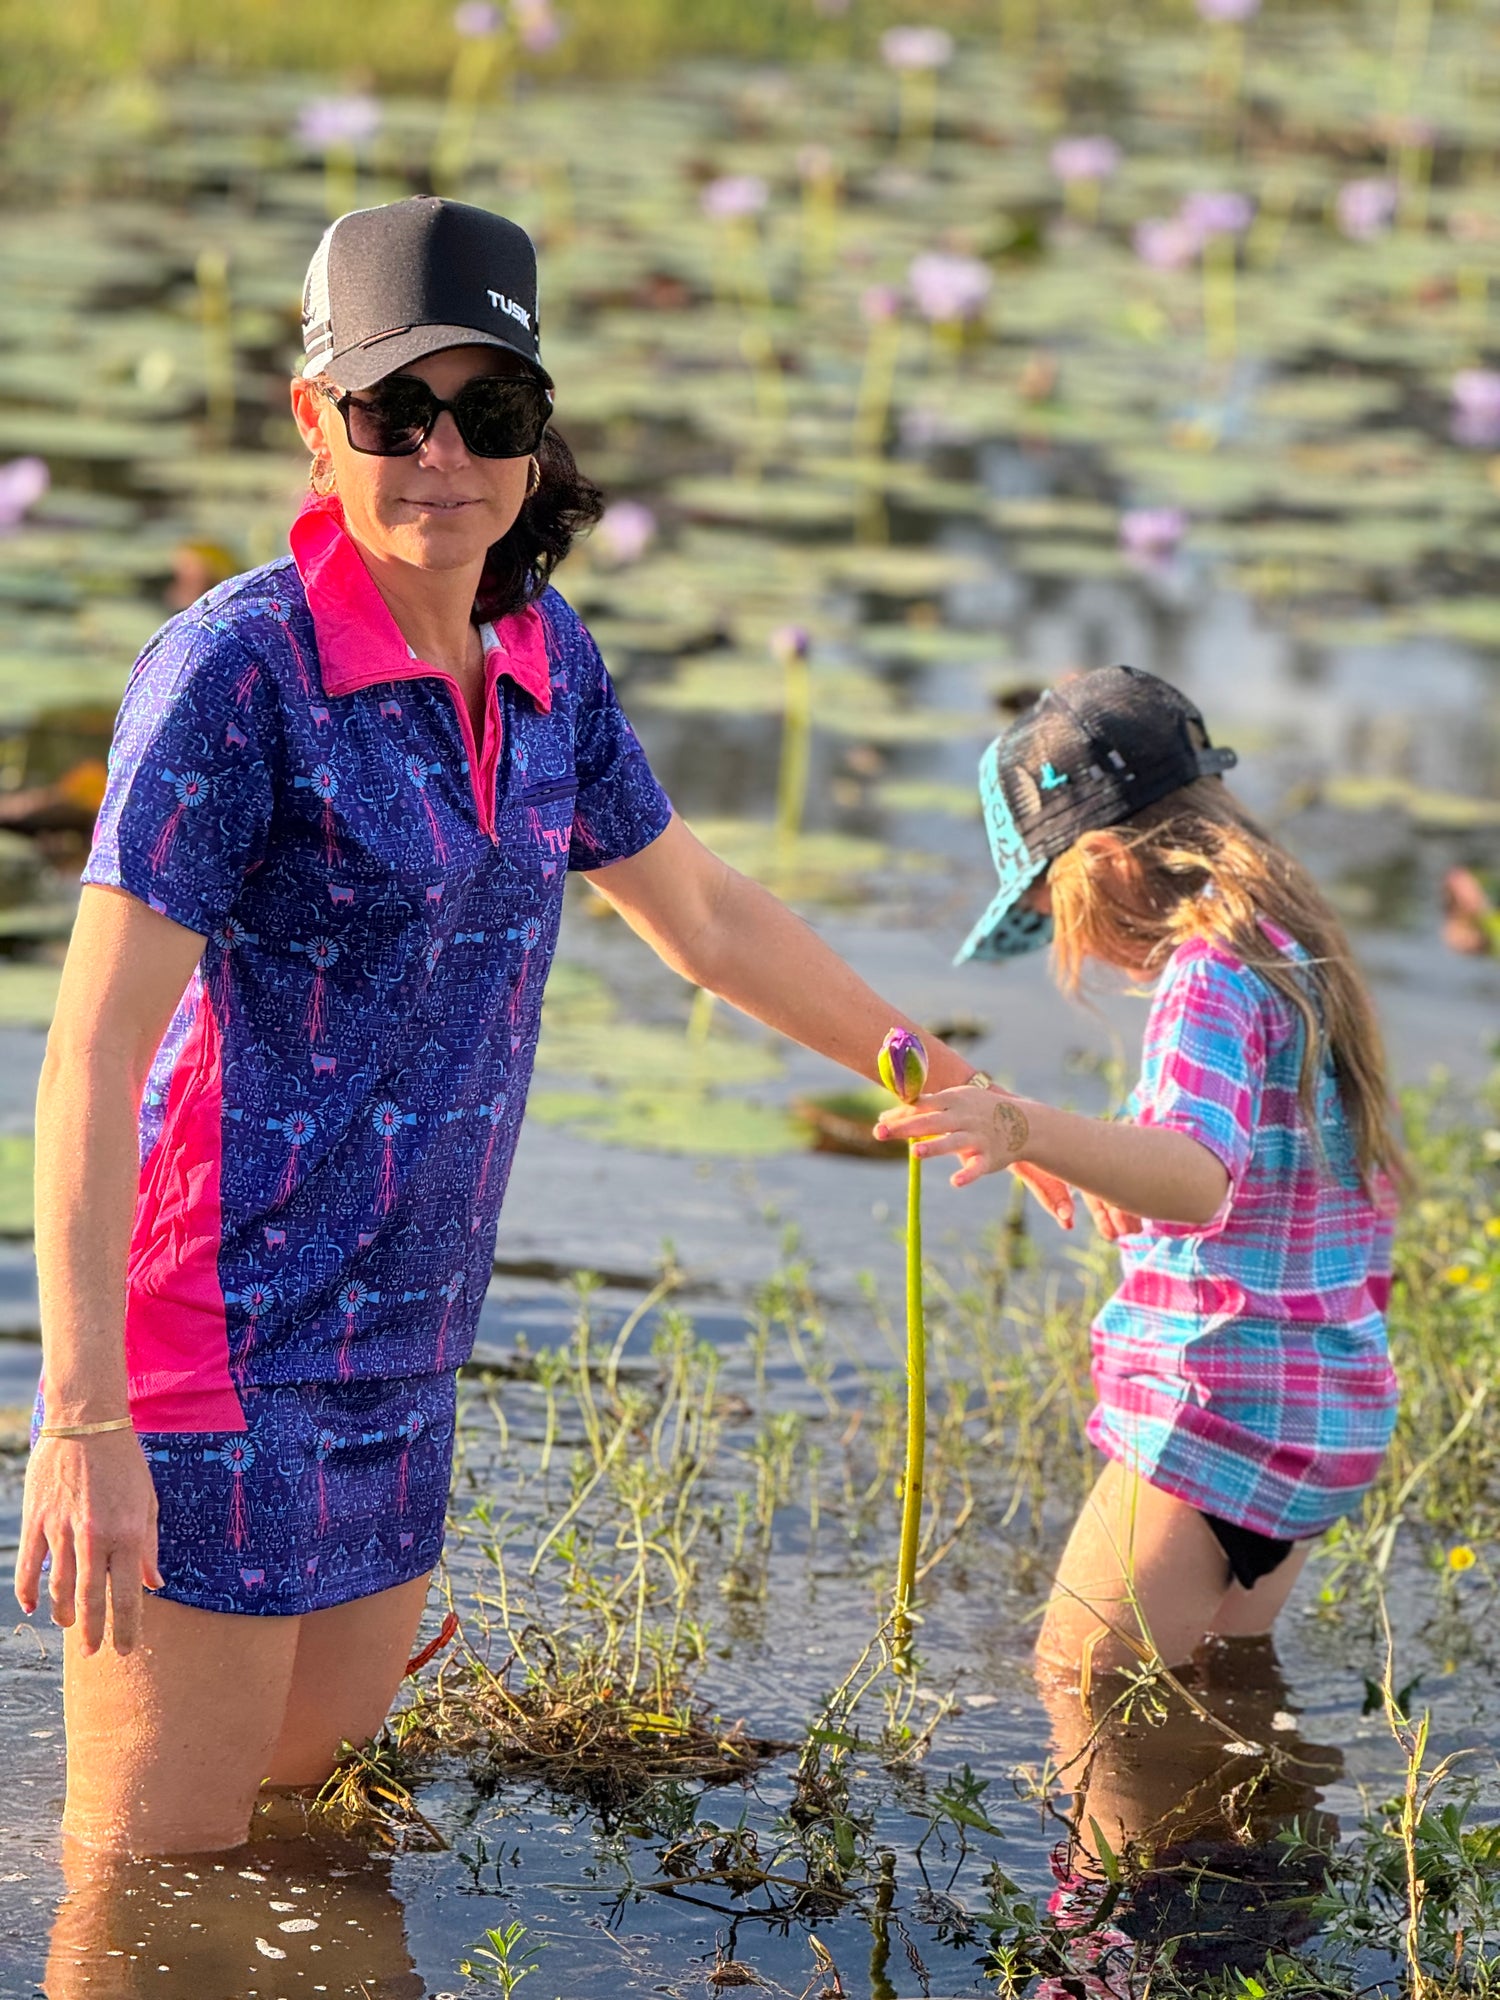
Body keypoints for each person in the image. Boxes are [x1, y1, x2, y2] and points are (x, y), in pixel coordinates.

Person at [14, 196, 1070, 1860]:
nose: (442, 454)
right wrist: (81, 1417)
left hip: (410, 1343)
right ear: (316, 423)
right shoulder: (234, 675)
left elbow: (706, 919)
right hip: (220, 1353)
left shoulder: (541, 652)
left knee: (305, 1845)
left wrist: (951, 1082)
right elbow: (89, 1053)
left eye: (487, 409)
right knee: (149, 1889)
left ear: (533, 431)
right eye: (393, 410)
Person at [877, 666, 1402, 1678]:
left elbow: (1199, 1175)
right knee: (1221, 1696)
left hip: (1215, 1408)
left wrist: (1023, 1126)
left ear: (1108, 861)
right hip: (1317, 1411)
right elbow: (1262, 1175)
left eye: (1052, 904)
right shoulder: (1292, 956)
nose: (1069, 942)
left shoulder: (1208, 971)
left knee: (1080, 1690)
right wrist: (1127, 1169)